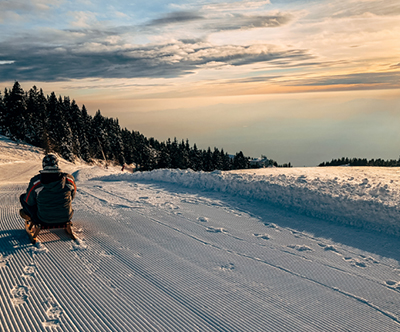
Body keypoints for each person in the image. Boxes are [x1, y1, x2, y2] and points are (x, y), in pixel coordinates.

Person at [20, 153, 77, 224]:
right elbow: (72, 196)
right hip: (66, 217)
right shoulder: (69, 179)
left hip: (43, 219)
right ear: (57, 164)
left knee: (23, 197)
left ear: (44, 165)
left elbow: (29, 201)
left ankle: (30, 216)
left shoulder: (36, 182)